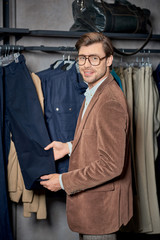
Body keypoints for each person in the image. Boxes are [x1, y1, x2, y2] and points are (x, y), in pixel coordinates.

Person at [40, 32, 133, 240]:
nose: (86, 65)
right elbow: (99, 138)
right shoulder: (94, 91)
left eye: (94, 58)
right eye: (82, 58)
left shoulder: (109, 101)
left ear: (109, 60)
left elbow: (111, 165)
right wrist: (69, 147)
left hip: (100, 213)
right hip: (91, 210)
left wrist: (63, 181)